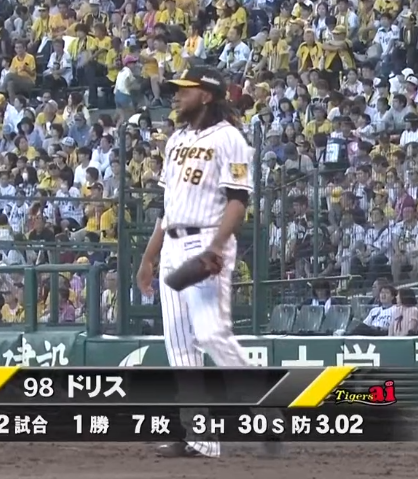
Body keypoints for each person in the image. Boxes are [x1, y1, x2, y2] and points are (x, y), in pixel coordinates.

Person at [134, 66, 263, 459]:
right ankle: (200, 437)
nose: (176, 95)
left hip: (206, 237)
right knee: (179, 346)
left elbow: (238, 201)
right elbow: (167, 208)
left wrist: (217, 247)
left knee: (209, 334)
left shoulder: (230, 138)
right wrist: (149, 257)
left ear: (206, 95)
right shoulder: (176, 140)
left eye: (184, 90)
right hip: (173, 243)